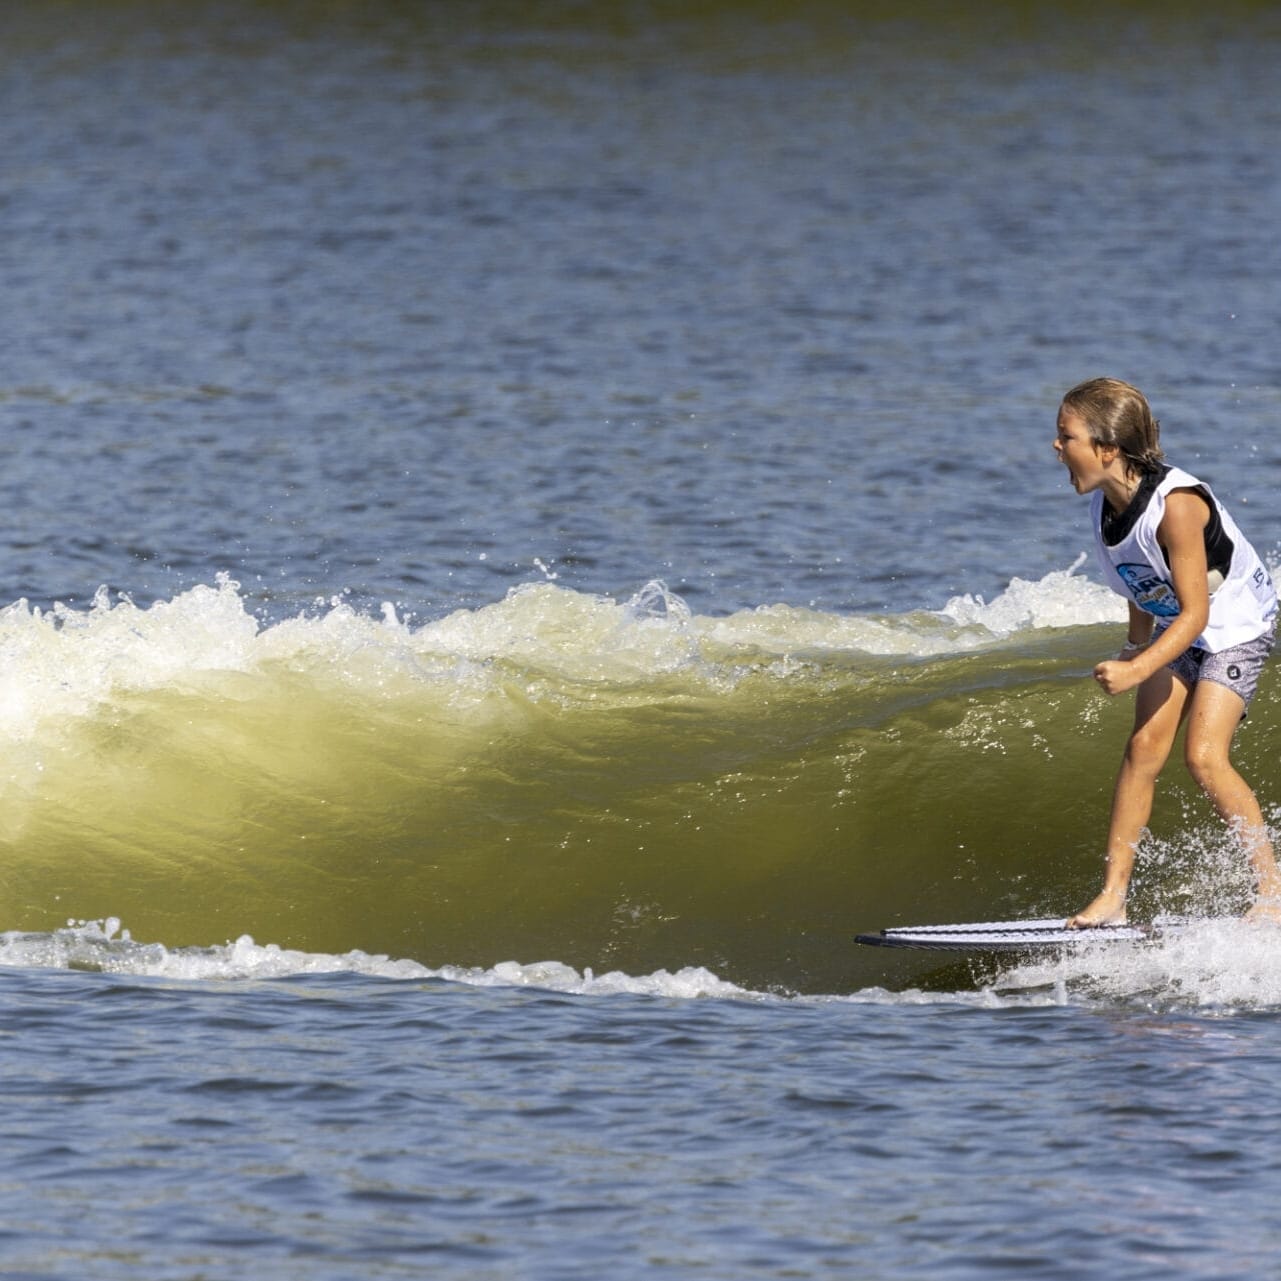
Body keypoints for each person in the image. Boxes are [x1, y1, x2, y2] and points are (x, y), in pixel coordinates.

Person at [1053, 377, 1281, 926]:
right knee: (1142, 750)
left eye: (1067, 437)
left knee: (1203, 757)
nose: (1056, 447)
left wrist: (1137, 668)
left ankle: (1272, 891)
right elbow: (1141, 585)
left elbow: (1197, 614)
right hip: (1180, 624)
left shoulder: (1176, 506)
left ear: (1107, 449)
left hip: (1235, 626)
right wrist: (1136, 645)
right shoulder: (1106, 506)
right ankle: (1113, 897)